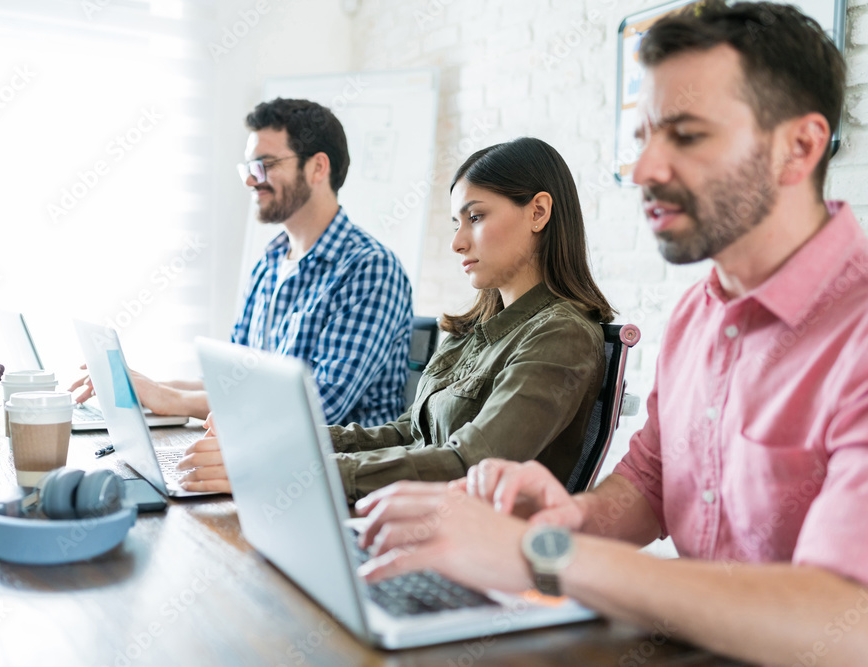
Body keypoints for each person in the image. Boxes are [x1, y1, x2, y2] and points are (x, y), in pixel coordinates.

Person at [351, 3, 868, 665]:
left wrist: (541, 554)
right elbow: (651, 483)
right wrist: (569, 516)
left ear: (799, 147)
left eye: (685, 134)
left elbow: (844, 616)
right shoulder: (697, 314)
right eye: (644, 134)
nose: (645, 167)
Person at [176, 137, 616, 502]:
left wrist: (295, 469)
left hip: (469, 549)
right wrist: (283, 438)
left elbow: (468, 465)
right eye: (455, 223)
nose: (458, 243)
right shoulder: (476, 330)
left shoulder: (562, 334)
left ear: (538, 212)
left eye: (476, 217)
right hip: (408, 517)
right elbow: (409, 431)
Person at [72, 98, 413, 428]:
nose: (251, 180)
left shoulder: (370, 268)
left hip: (341, 475)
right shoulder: (270, 262)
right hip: (260, 451)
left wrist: (170, 399)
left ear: (317, 167)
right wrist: (141, 385)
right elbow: (232, 383)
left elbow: (319, 406)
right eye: (248, 167)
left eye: (265, 164)